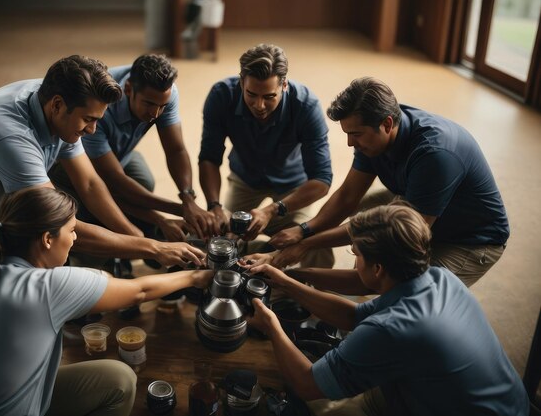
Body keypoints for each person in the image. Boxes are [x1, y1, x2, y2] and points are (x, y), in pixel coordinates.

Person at [0, 55, 204, 304]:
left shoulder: (57, 106)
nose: (93, 130)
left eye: (97, 120)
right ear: (57, 106)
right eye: (88, 120)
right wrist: (153, 247)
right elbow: (59, 224)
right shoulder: (13, 141)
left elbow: (90, 185)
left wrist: (138, 238)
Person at [0, 187, 213, 416]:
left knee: (117, 378)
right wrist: (196, 277)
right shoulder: (47, 287)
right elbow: (139, 290)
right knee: (121, 382)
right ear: (47, 239)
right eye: (72, 230)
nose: (74, 239)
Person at [247, 204, 529, 416]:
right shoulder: (439, 278)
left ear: (378, 268)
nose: (355, 263)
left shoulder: (392, 329)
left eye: (356, 256)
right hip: (506, 404)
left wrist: (272, 325)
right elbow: (352, 316)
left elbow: (307, 384)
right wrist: (288, 281)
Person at [270, 77, 509, 286]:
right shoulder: (376, 131)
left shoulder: (435, 154)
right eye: (347, 134)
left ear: (386, 124)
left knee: (406, 291)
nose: (350, 144)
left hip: (470, 240)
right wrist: (304, 231)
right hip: (416, 200)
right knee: (365, 230)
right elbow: (347, 197)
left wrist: (306, 246)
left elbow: (402, 233)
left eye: (355, 134)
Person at [50, 54, 216, 242]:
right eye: (149, 104)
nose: (155, 113)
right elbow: (113, 181)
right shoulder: (98, 109)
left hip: (121, 153)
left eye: (162, 106)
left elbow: (176, 150)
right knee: (94, 210)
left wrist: (188, 199)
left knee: (144, 182)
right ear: (128, 89)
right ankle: (124, 249)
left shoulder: (164, 93)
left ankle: (153, 235)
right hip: (77, 163)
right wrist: (179, 210)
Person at [198, 43, 333, 268]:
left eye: (269, 96)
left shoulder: (307, 106)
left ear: (284, 85)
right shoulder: (221, 95)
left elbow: (322, 181)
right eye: (251, 94)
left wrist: (273, 210)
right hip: (244, 178)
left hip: (292, 186)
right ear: (241, 83)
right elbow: (209, 157)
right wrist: (214, 206)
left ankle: (311, 298)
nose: (259, 105)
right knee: (220, 239)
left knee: (315, 244)